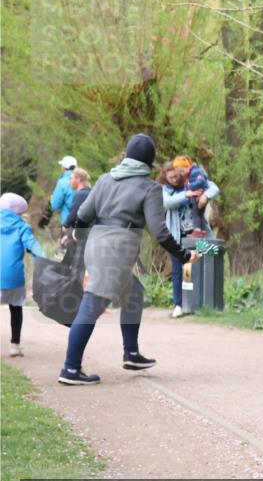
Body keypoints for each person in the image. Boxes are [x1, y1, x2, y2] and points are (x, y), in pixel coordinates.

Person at [57, 134, 200, 385]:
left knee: (133, 293)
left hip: (97, 243)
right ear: (149, 162)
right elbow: (160, 232)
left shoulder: (104, 179)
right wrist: (185, 255)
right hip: (118, 248)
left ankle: (131, 354)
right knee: (92, 304)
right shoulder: (149, 188)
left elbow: (82, 214)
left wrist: (79, 236)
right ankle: (70, 368)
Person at [160, 161, 220, 317]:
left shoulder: (191, 181)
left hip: (197, 234)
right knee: (179, 270)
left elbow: (214, 187)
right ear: (165, 178)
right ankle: (179, 304)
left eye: (176, 176)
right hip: (176, 236)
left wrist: (205, 195)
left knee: (201, 266)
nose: (174, 179)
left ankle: (203, 303)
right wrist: (186, 195)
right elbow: (167, 203)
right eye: (170, 177)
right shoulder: (165, 190)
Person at [1, 193, 46, 357]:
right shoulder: (22, 226)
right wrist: (44, 265)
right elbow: (34, 249)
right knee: (16, 309)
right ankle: (14, 346)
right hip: (14, 278)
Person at [170, 156, 212, 237]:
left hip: (198, 197)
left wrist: (191, 186)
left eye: (182, 171)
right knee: (199, 214)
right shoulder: (191, 174)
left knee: (195, 213)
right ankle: (202, 231)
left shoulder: (195, 172)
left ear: (187, 167)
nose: (181, 174)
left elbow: (202, 181)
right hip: (196, 197)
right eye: (179, 172)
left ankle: (197, 231)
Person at [49, 155, 78, 227]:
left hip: (68, 222)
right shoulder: (82, 180)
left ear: (63, 167)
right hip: (83, 224)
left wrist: (52, 197)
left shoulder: (62, 182)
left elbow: (55, 205)